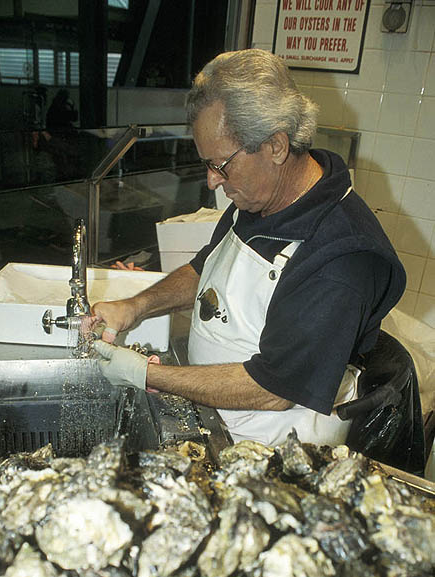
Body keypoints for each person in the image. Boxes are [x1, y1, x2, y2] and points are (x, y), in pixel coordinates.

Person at [91, 48, 406, 448]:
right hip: (217, 421)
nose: (211, 181)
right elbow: (207, 267)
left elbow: (275, 389)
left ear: (275, 145)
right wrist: (133, 306)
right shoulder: (263, 196)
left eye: (220, 164)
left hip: (273, 452)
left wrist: (145, 374)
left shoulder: (341, 256)